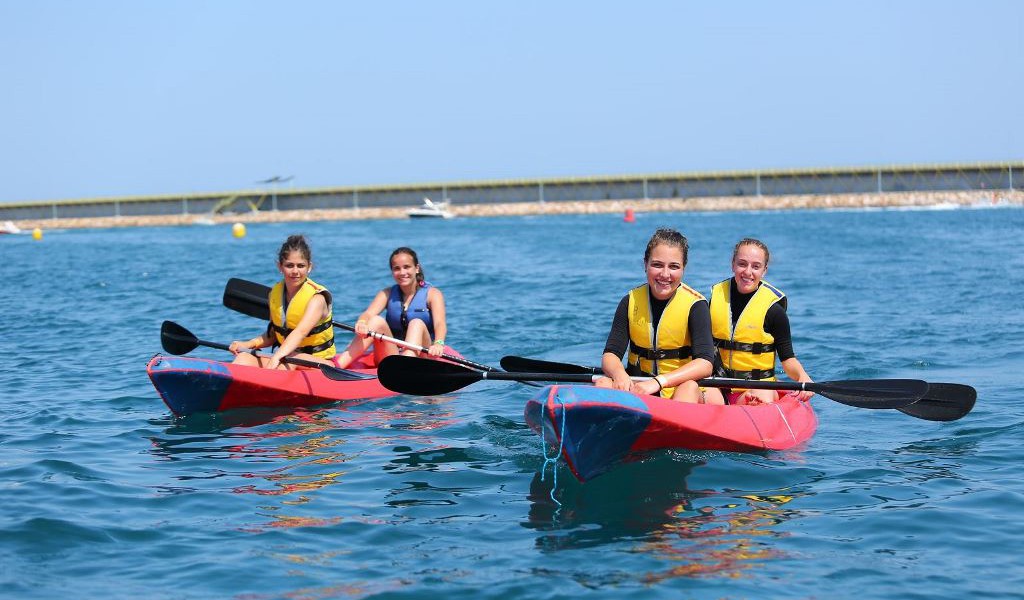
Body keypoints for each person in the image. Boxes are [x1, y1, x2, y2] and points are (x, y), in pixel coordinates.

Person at [596, 228, 716, 403]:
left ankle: (676, 427)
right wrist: (619, 374)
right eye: (657, 265)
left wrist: (659, 382)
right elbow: (610, 355)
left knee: (689, 387)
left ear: (683, 269)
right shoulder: (630, 301)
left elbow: (705, 363)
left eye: (673, 266)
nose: (665, 274)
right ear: (645, 264)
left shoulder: (696, 305)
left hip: (677, 388)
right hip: (638, 386)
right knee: (603, 382)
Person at [703, 238, 813, 405]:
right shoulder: (714, 299)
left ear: (764, 270)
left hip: (757, 387)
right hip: (718, 386)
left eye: (756, 266)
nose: (748, 272)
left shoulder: (774, 311)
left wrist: (802, 376)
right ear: (732, 264)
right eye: (742, 264)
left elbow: (788, 359)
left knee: (761, 395)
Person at [229, 235, 337, 369]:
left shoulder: (317, 298)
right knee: (244, 358)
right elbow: (273, 335)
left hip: (320, 365)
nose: (295, 271)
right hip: (285, 357)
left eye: (301, 266)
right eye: (289, 265)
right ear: (280, 266)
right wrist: (248, 344)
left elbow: (301, 332)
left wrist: (276, 357)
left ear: (309, 267)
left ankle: (267, 383)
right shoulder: (275, 294)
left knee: (291, 358)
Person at [333, 246, 447, 368]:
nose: (402, 272)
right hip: (393, 355)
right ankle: (337, 366)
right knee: (376, 321)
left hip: (423, 355)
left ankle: (406, 367)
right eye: (397, 269)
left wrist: (438, 343)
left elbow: (440, 323)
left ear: (417, 268)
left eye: (407, 267)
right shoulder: (386, 294)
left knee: (416, 323)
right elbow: (368, 314)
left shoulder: (433, 294)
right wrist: (362, 322)